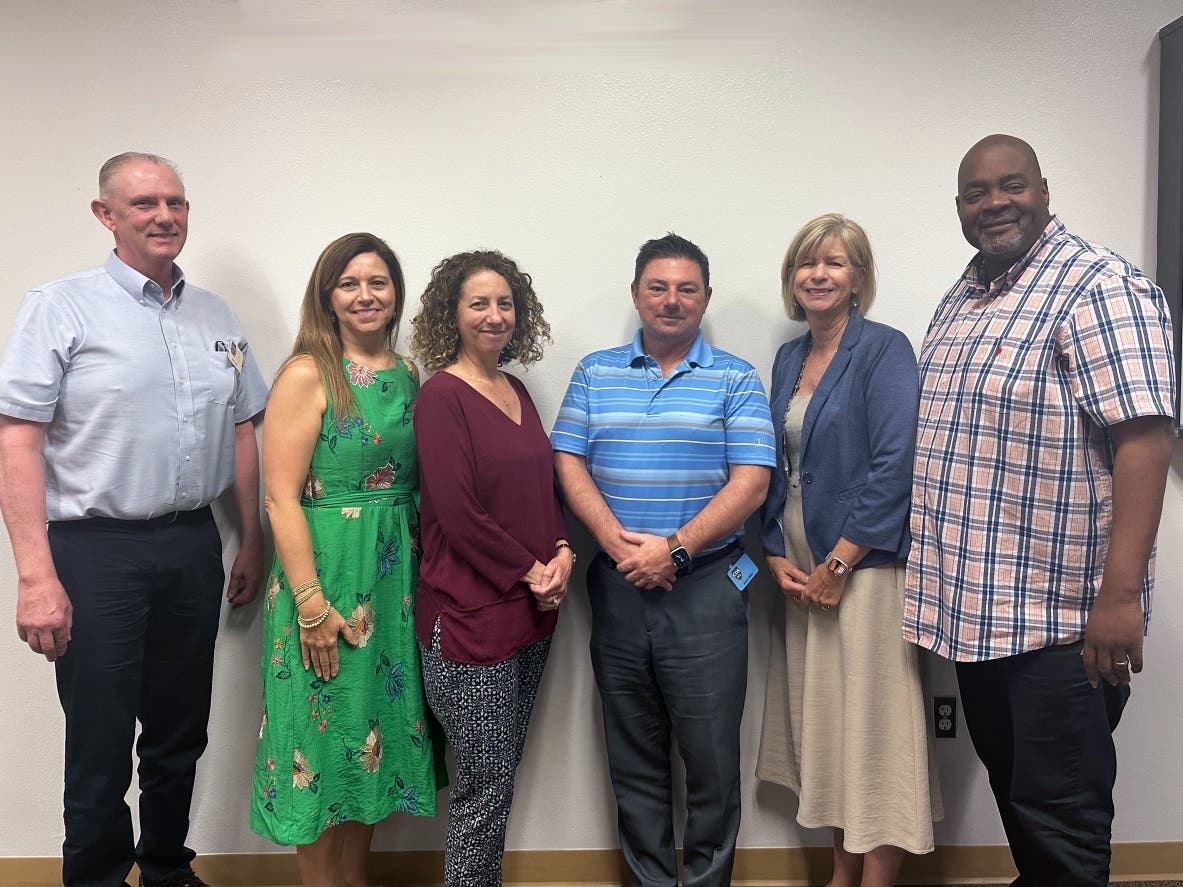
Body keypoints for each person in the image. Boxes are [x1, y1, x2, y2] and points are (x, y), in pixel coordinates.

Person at [906, 134, 1176, 886]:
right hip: (978, 615)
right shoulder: (963, 294)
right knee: (1019, 801)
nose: (994, 203)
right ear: (958, 206)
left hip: (1061, 624)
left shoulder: (1097, 286)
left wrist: (1119, 600)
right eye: (975, 192)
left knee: (1062, 823)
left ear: (1045, 189)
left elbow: (1144, 438)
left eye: (1011, 184)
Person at [0, 152, 267, 887]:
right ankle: (93, 877)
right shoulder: (60, 306)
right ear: (106, 215)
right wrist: (34, 573)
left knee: (181, 731)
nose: (164, 216)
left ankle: (167, 868)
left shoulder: (217, 316)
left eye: (176, 202)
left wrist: (251, 537)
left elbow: (243, 428)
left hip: (190, 544)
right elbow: (16, 435)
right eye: (145, 203)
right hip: (94, 548)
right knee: (101, 735)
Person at [552, 233, 775, 887]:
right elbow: (567, 459)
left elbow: (752, 480)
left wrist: (674, 546)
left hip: (705, 585)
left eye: (686, 288)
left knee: (709, 757)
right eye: (658, 286)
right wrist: (617, 541)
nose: (671, 300)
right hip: (618, 583)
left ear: (704, 297)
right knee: (633, 753)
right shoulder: (594, 371)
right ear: (635, 294)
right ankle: (648, 879)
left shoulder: (734, 376)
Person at [250, 233, 443, 886]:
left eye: (378, 282)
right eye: (349, 283)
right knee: (319, 734)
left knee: (372, 733)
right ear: (327, 296)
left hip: (392, 583)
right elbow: (280, 498)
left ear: (395, 294)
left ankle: (355, 877)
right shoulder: (309, 371)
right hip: (326, 579)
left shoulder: (408, 372)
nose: (365, 295)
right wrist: (310, 605)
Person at [754, 214, 941, 887]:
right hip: (801, 569)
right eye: (807, 263)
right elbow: (772, 463)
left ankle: (877, 878)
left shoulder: (884, 350)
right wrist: (772, 547)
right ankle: (841, 871)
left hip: (861, 566)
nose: (818, 275)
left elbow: (895, 463)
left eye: (834, 263)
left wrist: (840, 561)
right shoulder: (787, 358)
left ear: (858, 277)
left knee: (876, 724)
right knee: (829, 726)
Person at [409, 249, 571, 886]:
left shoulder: (518, 390)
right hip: (469, 621)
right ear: (452, 313)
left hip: (532, 616)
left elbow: (544, 486)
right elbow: (457, 512)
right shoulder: (440, 398)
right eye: (479, 302)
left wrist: (561, 551)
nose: (495, 315)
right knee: (481, 792)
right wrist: (534, 571)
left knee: (497, 783)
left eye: (506, 303)